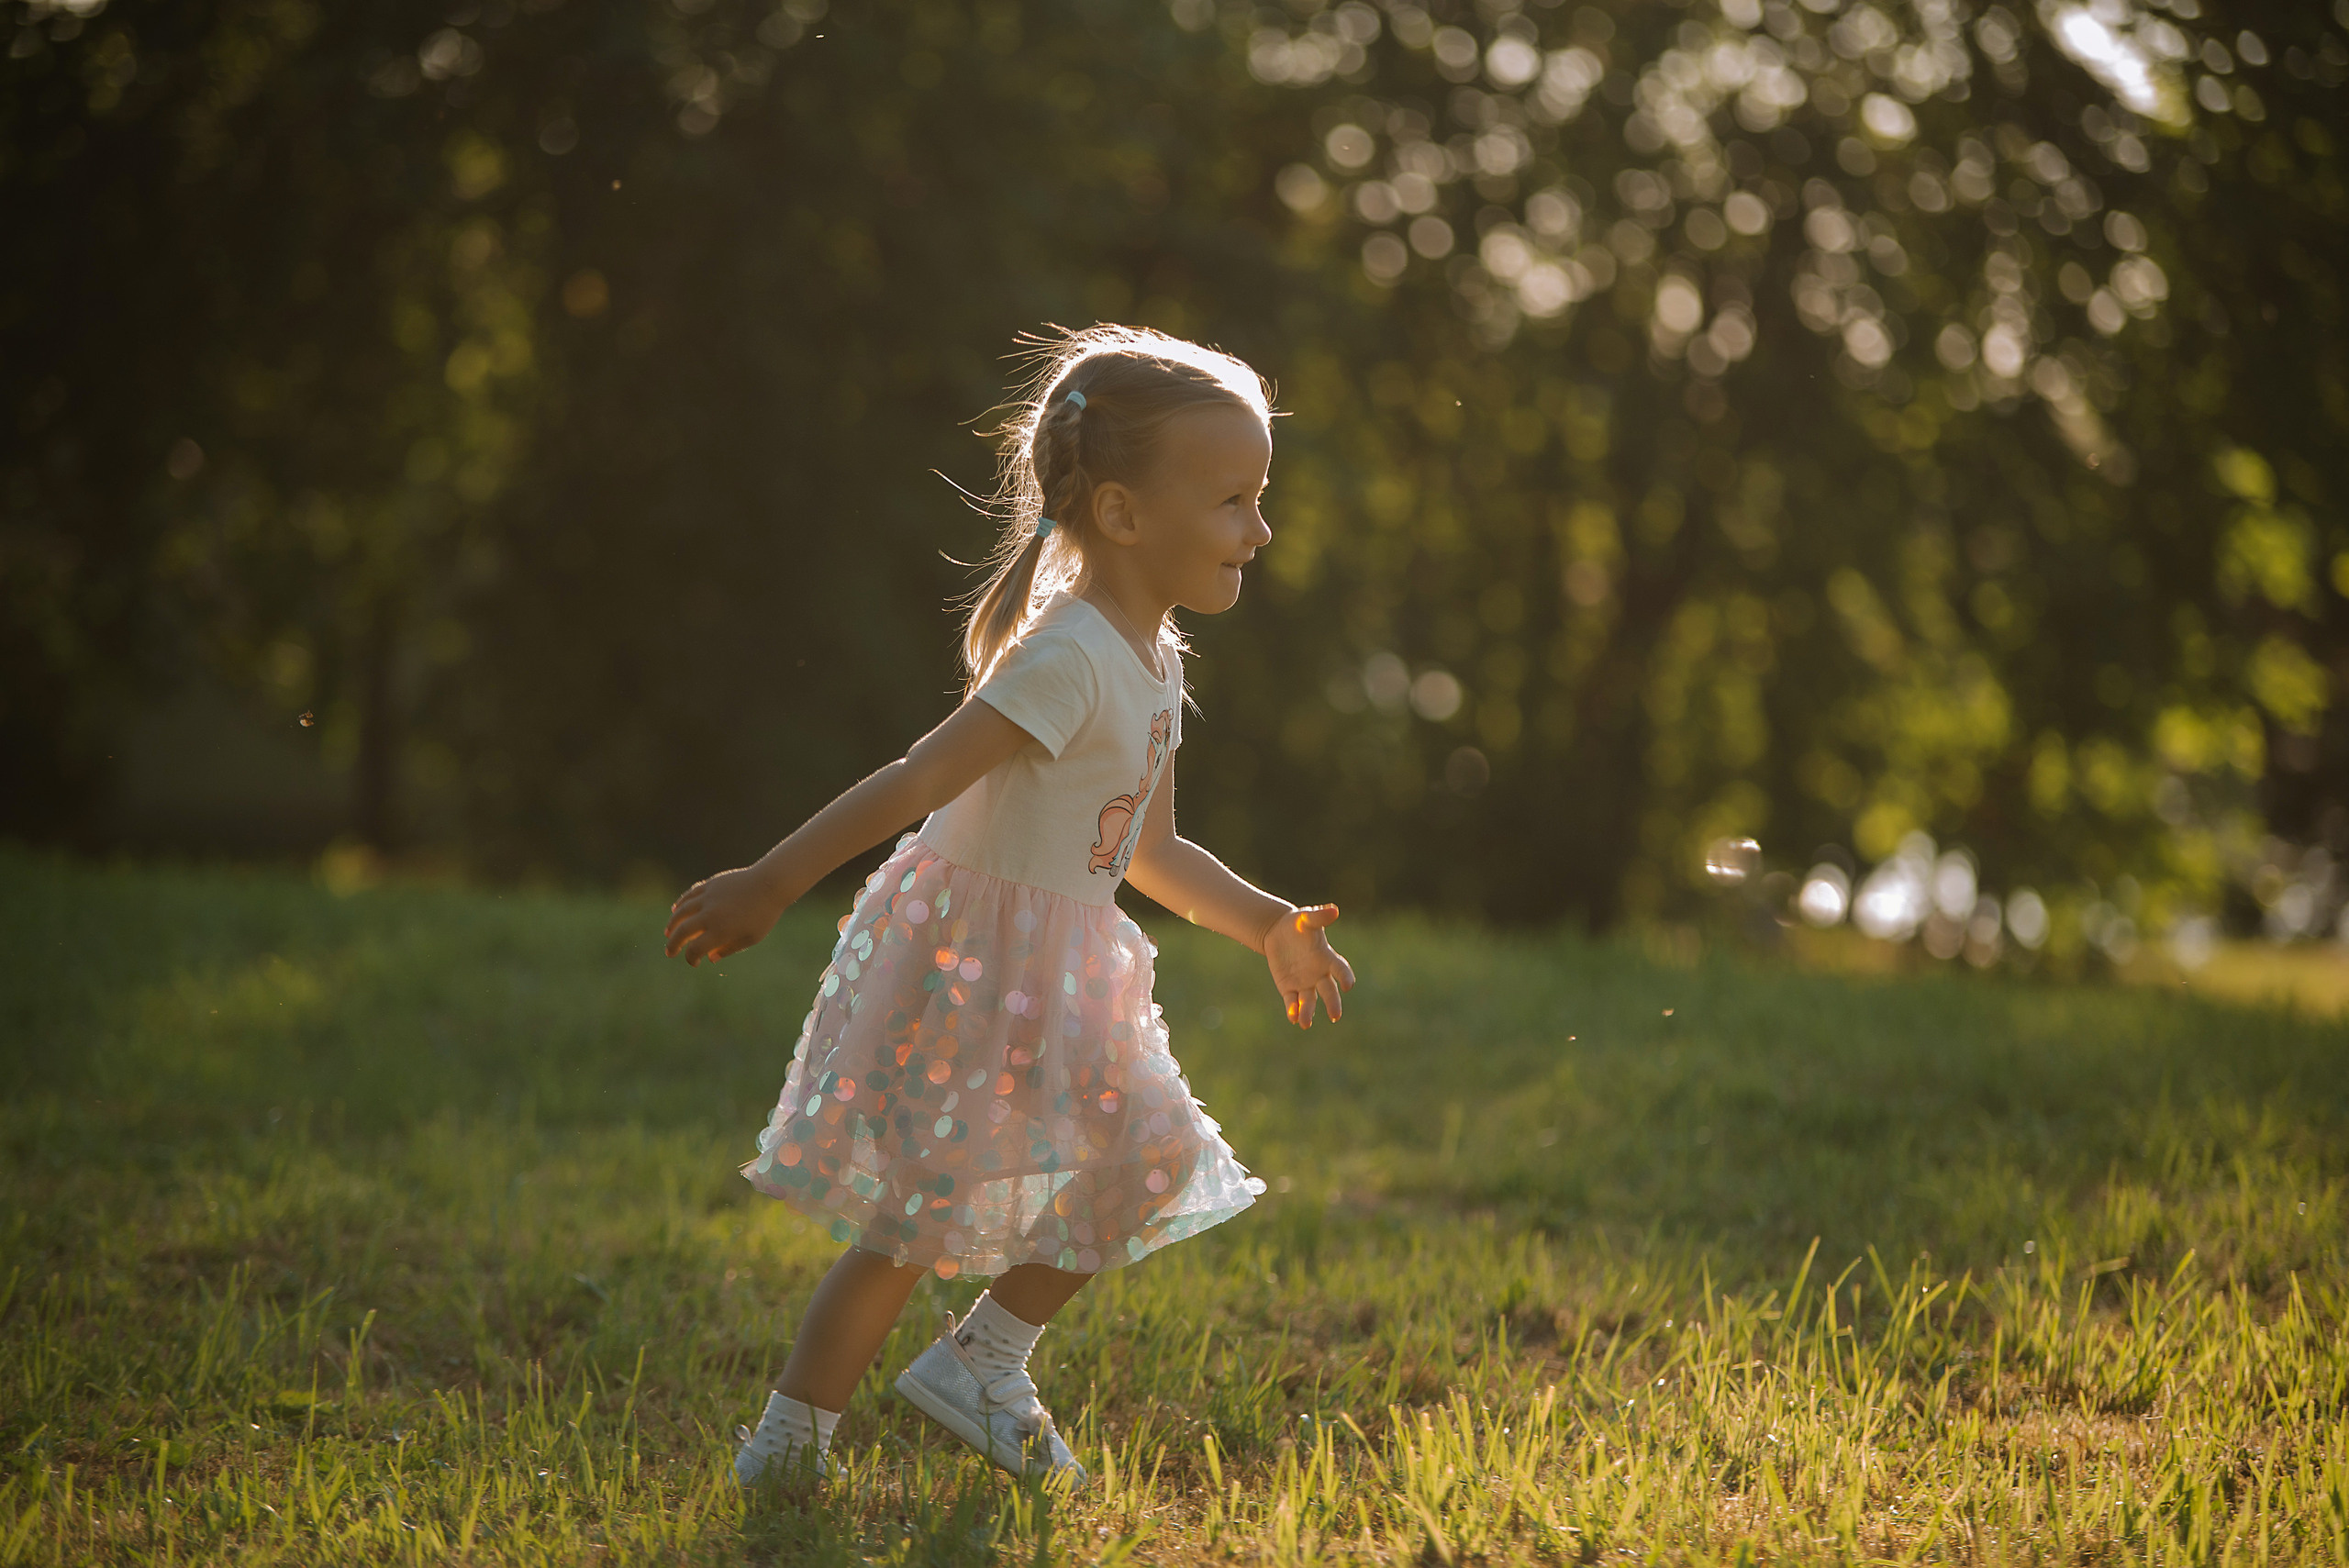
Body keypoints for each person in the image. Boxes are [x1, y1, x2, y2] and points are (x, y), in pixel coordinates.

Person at [662, 324, 1357, 1487]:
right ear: (1126, 515)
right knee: (912, 1223)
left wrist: (1267, 922)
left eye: (1259, 496)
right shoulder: (1071, 654)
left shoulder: (1154, 658)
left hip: (1069, 967)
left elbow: (1150, 847)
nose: (1261, 527)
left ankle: (984, 1354)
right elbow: (918, 777)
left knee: (1148, 1155)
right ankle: (787, 1446)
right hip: (977, 963)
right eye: (1234, 499)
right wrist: (772, 880)